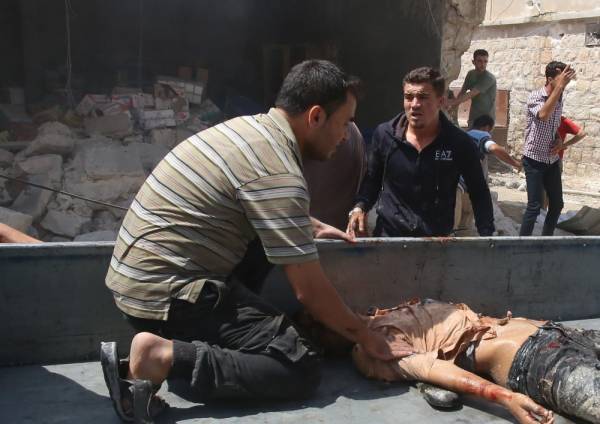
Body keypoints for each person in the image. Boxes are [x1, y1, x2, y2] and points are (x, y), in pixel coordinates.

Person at [100, 60, 411, 423]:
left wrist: (305, 225)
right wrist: (367, 335)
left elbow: (248, 199)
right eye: (344, 123)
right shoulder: (278, 172)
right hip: (169, 299)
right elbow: (308, 290)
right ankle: (163, 356)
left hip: (136, 287)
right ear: (315, 117)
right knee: (301, 363)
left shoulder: (248, 131)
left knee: (269, 247)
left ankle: (184, 344)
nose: (346, 135)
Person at [352, 299, 600, 424]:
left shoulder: (385, 313)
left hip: (561, 333)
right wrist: (505, 397)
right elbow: (431, 368)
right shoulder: (370, 350)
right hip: (536, 359)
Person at [347, 67, 494, 238]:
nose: (415, 104)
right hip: (389, 240)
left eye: (423, 97)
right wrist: (360, 207)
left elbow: (479, 192)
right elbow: (372, 180)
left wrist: (488, 237)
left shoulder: (459, 142)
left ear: (440, 101)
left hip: (437, 244)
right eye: (409, 97)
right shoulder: (385, 135)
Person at [519, 61, 576, 236]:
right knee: (534, 206)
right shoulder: (535, 97)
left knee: (557, 204)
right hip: (534, 159)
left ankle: (546, 240)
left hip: (551, 160)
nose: (564, 82)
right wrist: (559, 88)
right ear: (550, 79)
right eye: (560, 79)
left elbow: (554, 123)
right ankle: (522, 244)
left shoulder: (559, 98)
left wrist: (558, 139)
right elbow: (543, 115)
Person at [454, 114, 522, 234]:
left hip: (455, 186)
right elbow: (494, 149)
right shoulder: (480, 135)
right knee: (463, 233)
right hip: (465, 187)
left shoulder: (462, 135)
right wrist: (516, 163)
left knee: (454, 232)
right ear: (486, 127)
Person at [303, 122, 366, 231]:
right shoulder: (353, 131)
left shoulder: (317, 132)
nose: (345, 136)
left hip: (308, 233)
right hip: (342, 234)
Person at [447, 49, 497, 127]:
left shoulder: (489, 78)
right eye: (479, 61)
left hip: (487, 118)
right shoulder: (471, 74)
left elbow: (471, 94)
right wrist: (452, 109)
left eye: (485, 61)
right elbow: (462, 92)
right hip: (474, 115)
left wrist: (451, 102)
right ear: (473, 62)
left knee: (482, 138)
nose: (483, 64)